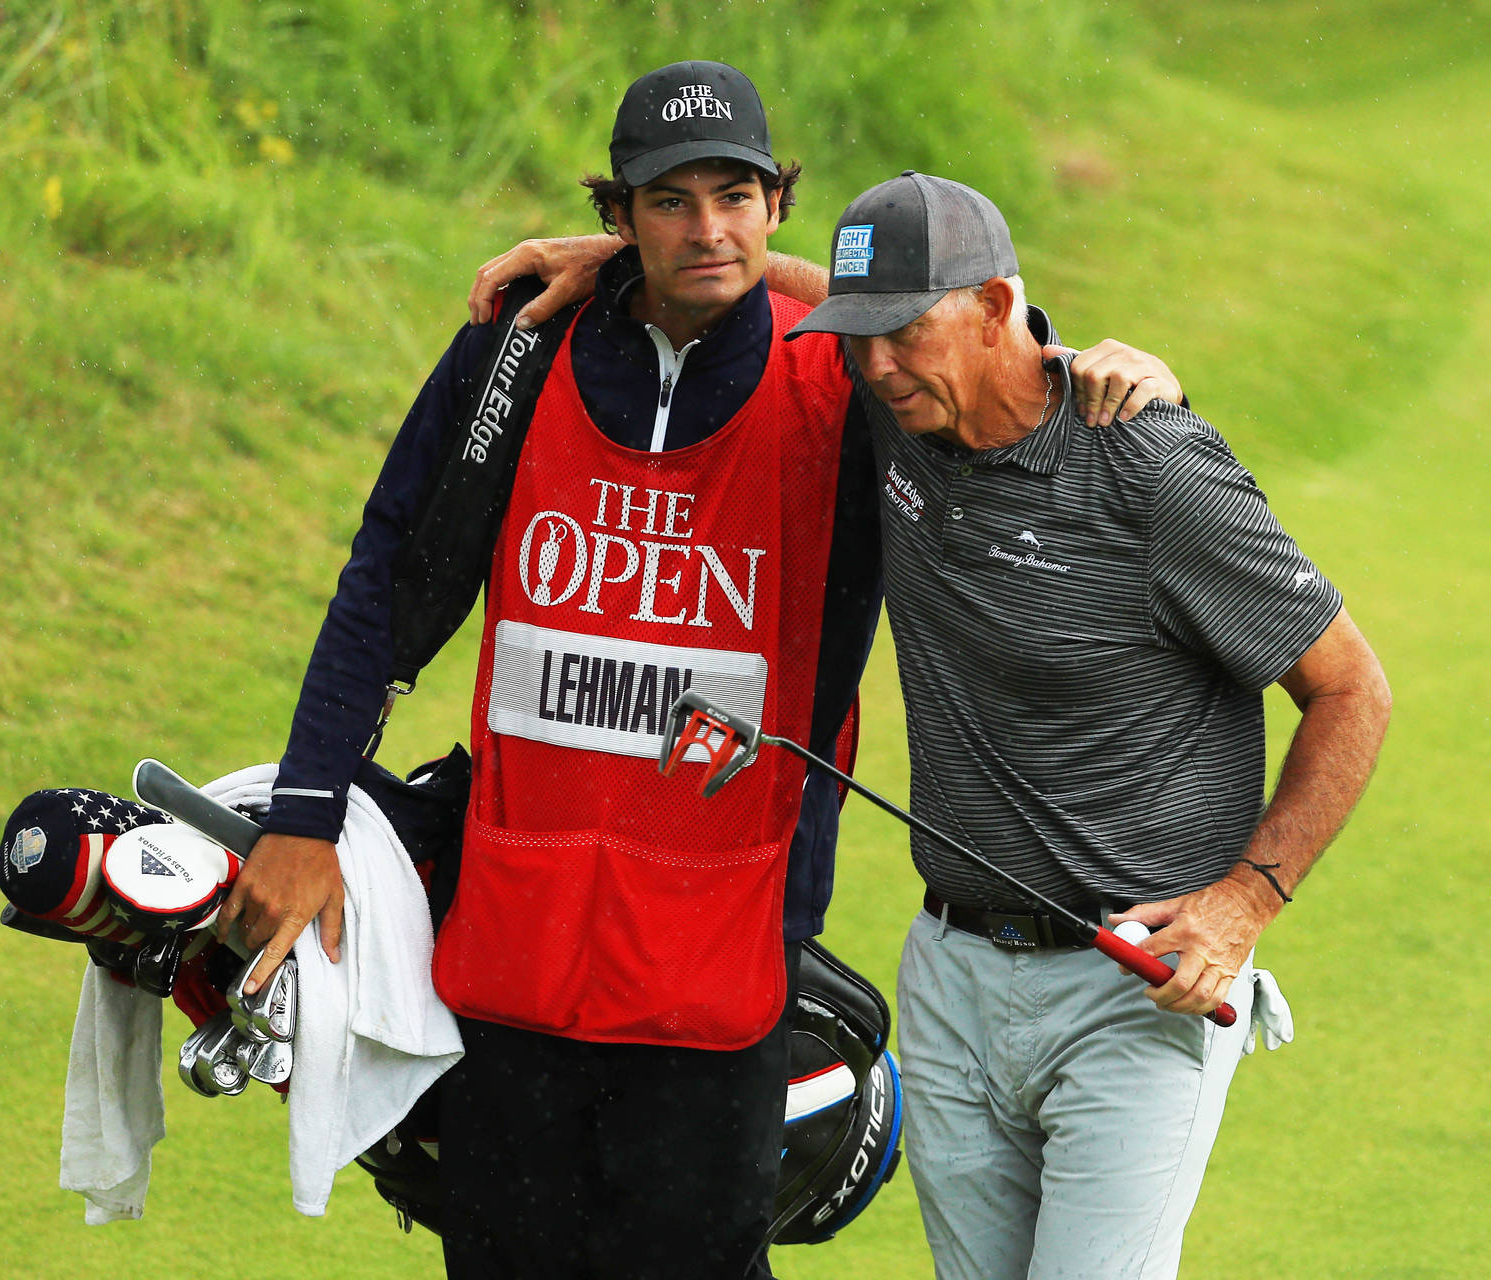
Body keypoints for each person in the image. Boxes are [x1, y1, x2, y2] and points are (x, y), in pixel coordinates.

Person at [216, 65, 1186, 1279]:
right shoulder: (519, 350)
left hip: (725, 966)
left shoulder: (846, 378)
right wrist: (307, 810)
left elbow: (964, 359)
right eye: (667, 203)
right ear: (618, 214)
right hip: (511, 946)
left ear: (779, 202)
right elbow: (386, 576)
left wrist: (1083, 356)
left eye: (735, 194)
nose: (708, 229)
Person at [784, 172, 1393, 1280]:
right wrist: (613, 258)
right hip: (953, 982)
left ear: (995, 304)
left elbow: (1353, 688)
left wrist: (1245, 903)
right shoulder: (898, 397)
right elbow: (771, 284)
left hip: (1133, 995)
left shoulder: (1152, 466)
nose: (874, 365)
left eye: (904, 330)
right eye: (858, 336)